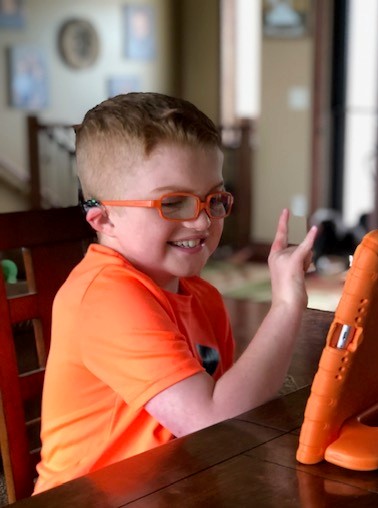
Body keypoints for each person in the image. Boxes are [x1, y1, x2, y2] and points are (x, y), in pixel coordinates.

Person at [34, 92, 317, 493]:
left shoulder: (203, 297)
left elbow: (234, 409)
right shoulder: (104, 297)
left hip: (176, 486)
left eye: (213, 198)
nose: (202, 221)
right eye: (175, 203)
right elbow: (214, 419)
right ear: (104, 218)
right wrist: (287, 304)